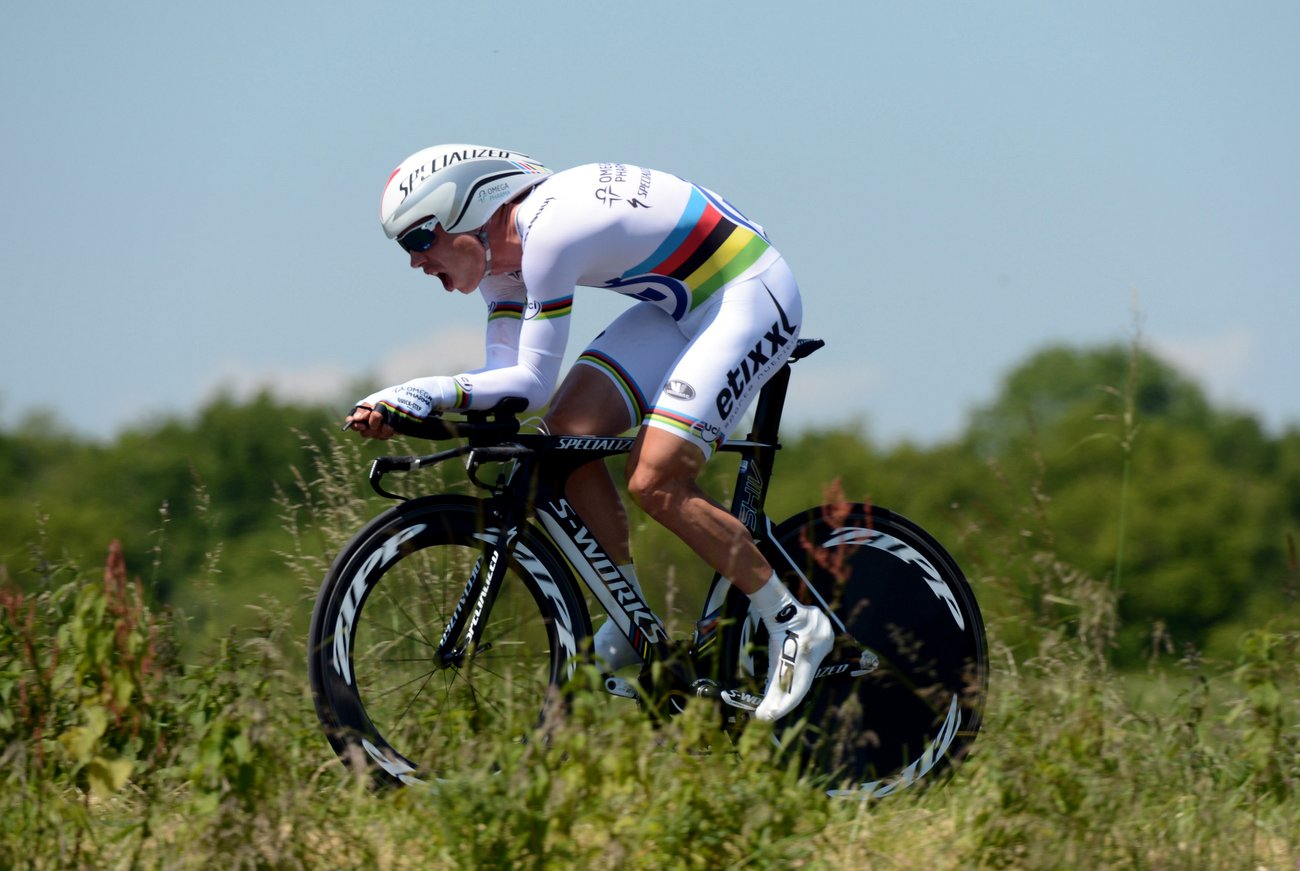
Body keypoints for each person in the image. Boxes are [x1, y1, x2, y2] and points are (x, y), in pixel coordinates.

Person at [344, 144, 832, 722]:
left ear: (467, 211)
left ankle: (794, 621)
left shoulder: (548, 234)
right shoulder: (502, 272)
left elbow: (529, 382)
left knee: (655, 479)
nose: (415, 262)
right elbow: (504, 388)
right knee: (563, 440)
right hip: (680, 306)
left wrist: (420, 393)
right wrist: (404, 406)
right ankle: (628, 622)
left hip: (750, 293)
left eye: (418, 240)